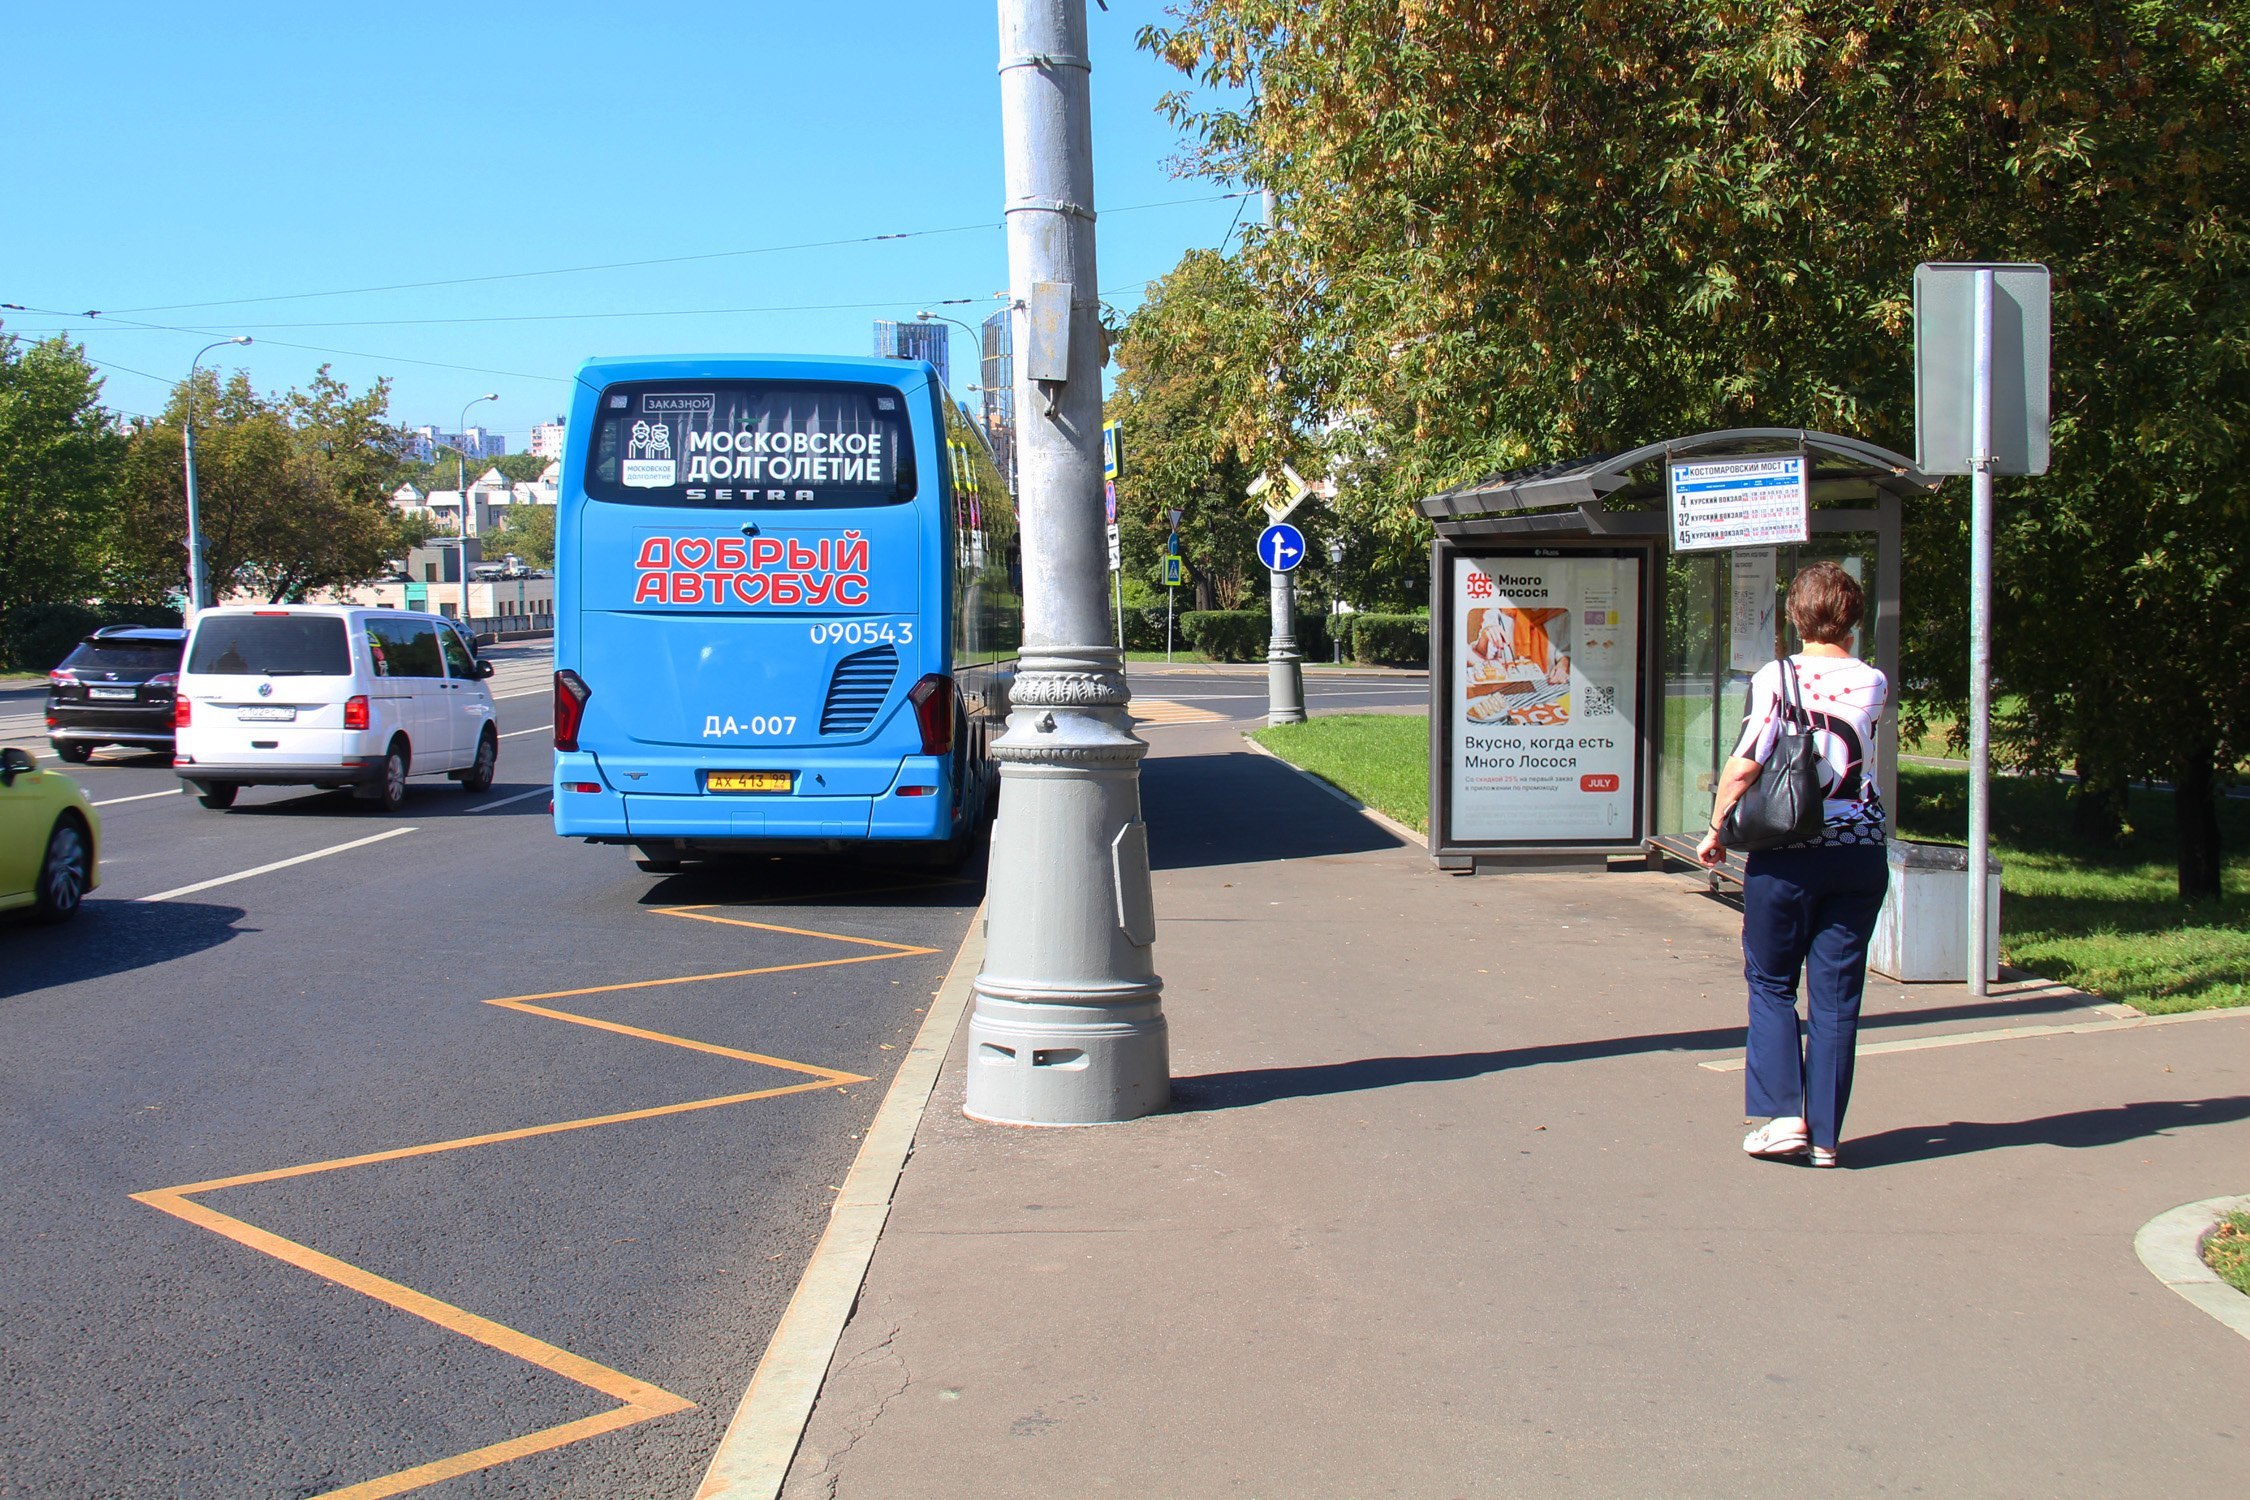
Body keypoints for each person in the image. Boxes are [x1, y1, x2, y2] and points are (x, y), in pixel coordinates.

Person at [1696, 561, 1888, 1168]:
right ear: (1853, 619)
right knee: (1837, 997)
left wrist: (1716, 827)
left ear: (1794, 617)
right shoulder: (1874, 681)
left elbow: (1749, 759)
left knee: (1772, 981)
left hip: (1788, 855)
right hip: (1859, 852)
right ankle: (1826, 1138)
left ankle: (1784, 1118)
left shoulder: (1775, 676)